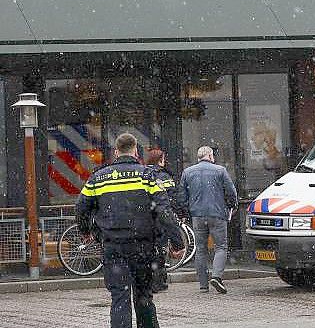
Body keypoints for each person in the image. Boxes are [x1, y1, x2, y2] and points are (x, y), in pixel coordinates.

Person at [76, 133, 185, 328]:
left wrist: (86, 231)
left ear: (116, 152)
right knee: (144, 297)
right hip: (143, 247)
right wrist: (177, 243)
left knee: (119, 298)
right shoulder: (148, 176)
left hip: (113, 247)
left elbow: (81, 207)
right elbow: (165, 212)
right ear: (135, 151)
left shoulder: (98, 178)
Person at [180, 146, 238, 294]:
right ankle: (217, 277)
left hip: (197, 215)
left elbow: (182, 196)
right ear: (210, 156)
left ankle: (203, 284)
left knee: (200, 249)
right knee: (221, 246)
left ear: (199, 157)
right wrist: (231, 206)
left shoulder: (188, 172)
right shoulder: (220, 171)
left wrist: (186, 212)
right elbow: (231, 192)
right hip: (217, 214)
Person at [145, 147, 187, 293]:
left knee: (148, 251)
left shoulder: (143, 174)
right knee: (160, 250)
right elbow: (172, 199)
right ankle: (158, 282)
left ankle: (148, 281)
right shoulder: (163, 176)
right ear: (160, 160)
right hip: (159, 219)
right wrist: (180, 212)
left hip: (144, 220)